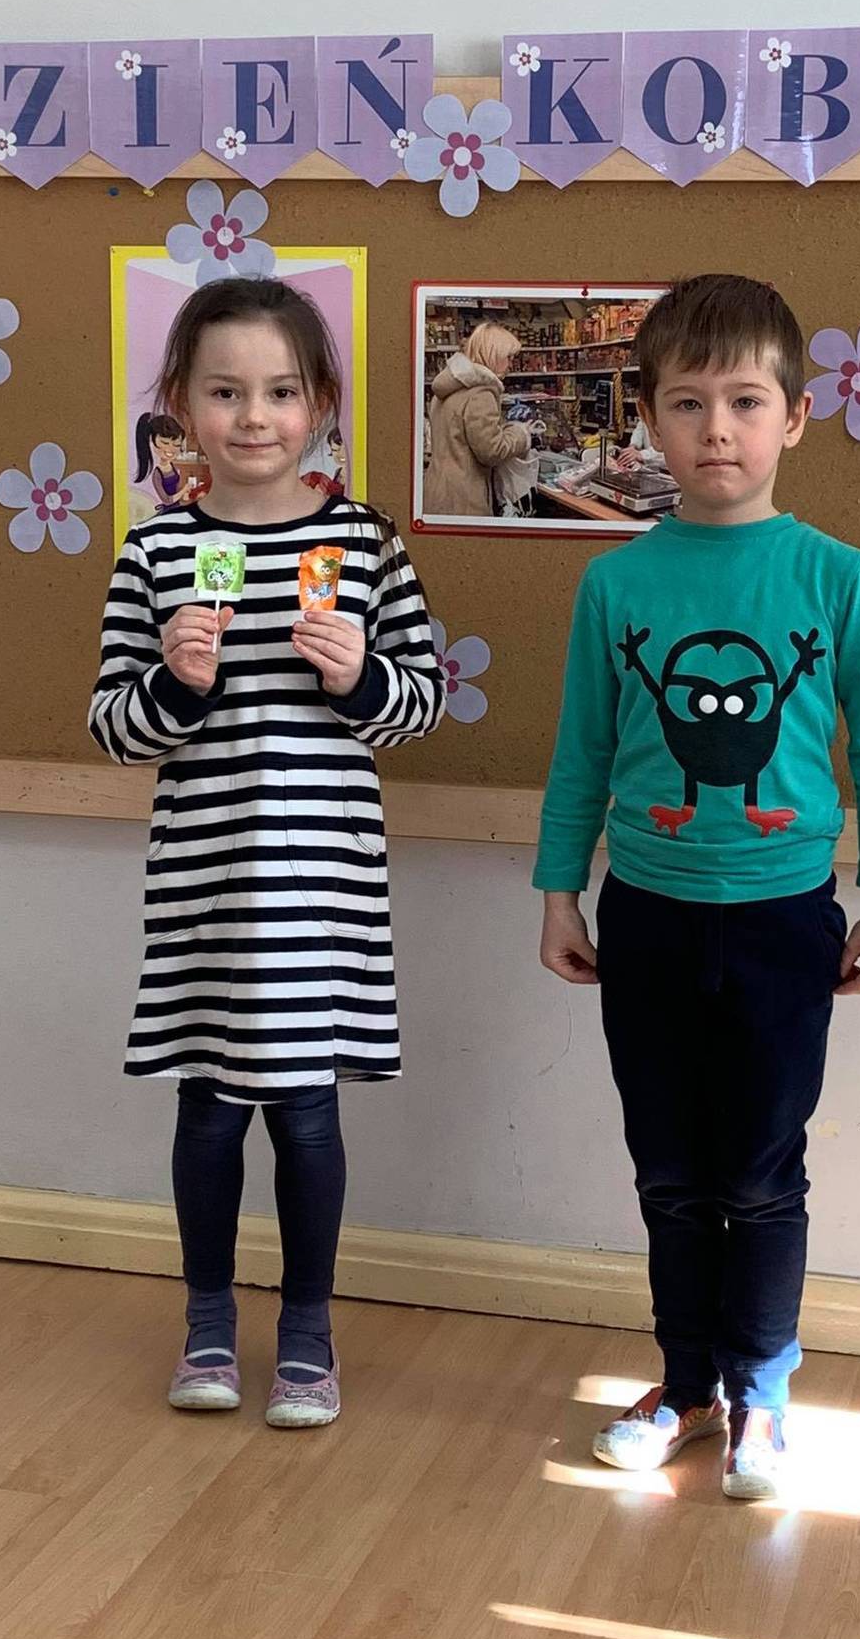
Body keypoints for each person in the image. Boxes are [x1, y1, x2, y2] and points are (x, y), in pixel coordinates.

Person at [534, 274, 860, 1500]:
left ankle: (762, 1397)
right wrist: (560, 890)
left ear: (794, 417)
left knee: (758, 1175)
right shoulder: (616, 585)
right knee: (667, 1172)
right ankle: (686, 1385)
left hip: (784, 920)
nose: (717, 430)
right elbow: (584, 751)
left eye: (747, 402)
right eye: (688, 403)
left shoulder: (843, 580)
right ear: (649, 419)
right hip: (645, 916)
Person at [90, 277, 444, 1430]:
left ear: (321, 403)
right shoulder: (158, 550)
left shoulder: (364, 542)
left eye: (282, 392)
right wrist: (176, 684)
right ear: (180, 405)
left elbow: (419, 707)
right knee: (206, 1108)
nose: (255, 417)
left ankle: (306, 1331)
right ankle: (207, 1320)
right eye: (226, 392)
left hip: (322, 886)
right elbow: (113, 727)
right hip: (205, 879)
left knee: (305, 1110)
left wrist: (360, 677)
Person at [423, 322, 530, 518]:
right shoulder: (480, 394)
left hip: (438, 492)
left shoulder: (446, 388)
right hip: (465, 500)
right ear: (493, 354)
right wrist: (521, 434)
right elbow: (492, 451)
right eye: (508, 357)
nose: (511, 364)